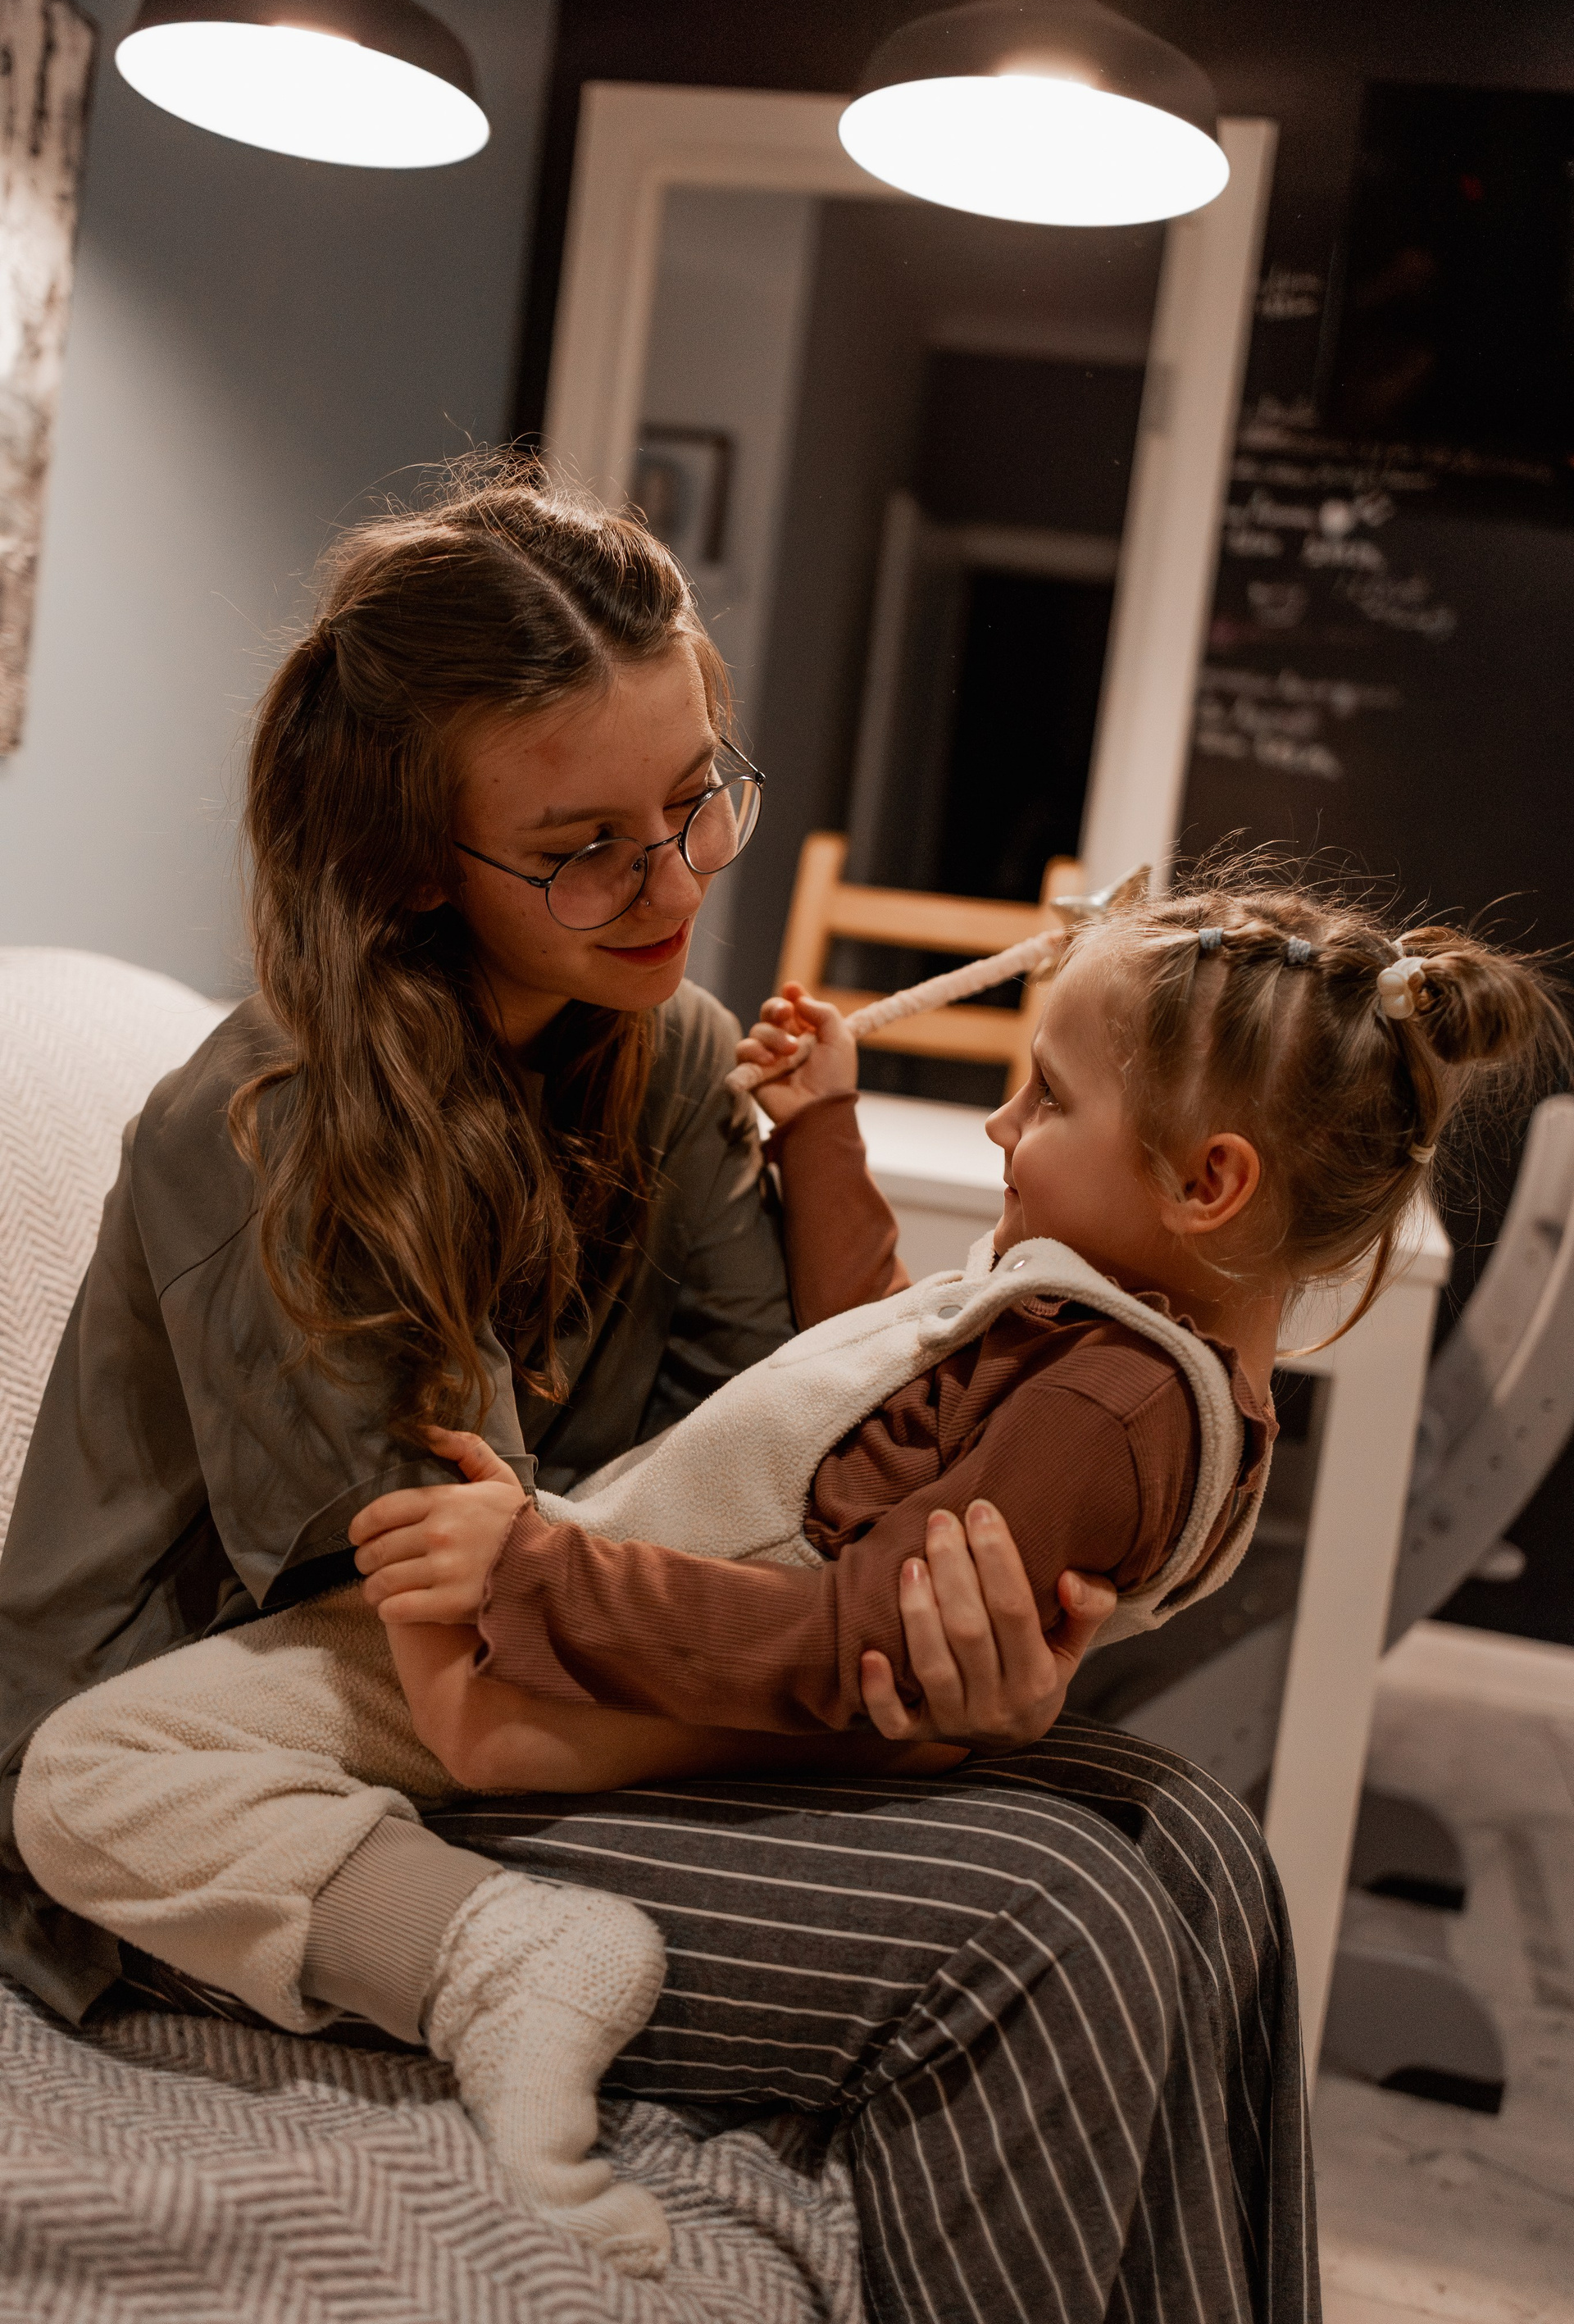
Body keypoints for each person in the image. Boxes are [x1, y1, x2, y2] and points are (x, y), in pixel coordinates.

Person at [2, 464, 1318, 2321]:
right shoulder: (279, 1138)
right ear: (412, 860)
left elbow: (777, 1459)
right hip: (265, 1793)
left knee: (1195, 1847)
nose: (680, 884)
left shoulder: (672, 1055)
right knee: (1053, 1923)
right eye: (584, 849)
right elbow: (467, 1668)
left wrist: (950, 1665)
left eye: (697, 801)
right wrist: (901, 1730)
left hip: (577, 1663)